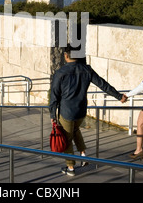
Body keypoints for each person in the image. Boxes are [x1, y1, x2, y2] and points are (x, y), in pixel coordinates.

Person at [49, 44, 128, 176]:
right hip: (81, 110)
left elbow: (54, 95)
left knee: (66, 138)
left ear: (66, 55)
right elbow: (103, 84)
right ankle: (83, 155)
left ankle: (70, 167)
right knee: (75, 130)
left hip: (67, 111)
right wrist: (119, 96)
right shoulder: (87, 70)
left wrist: (52, 113)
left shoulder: (60, 73)